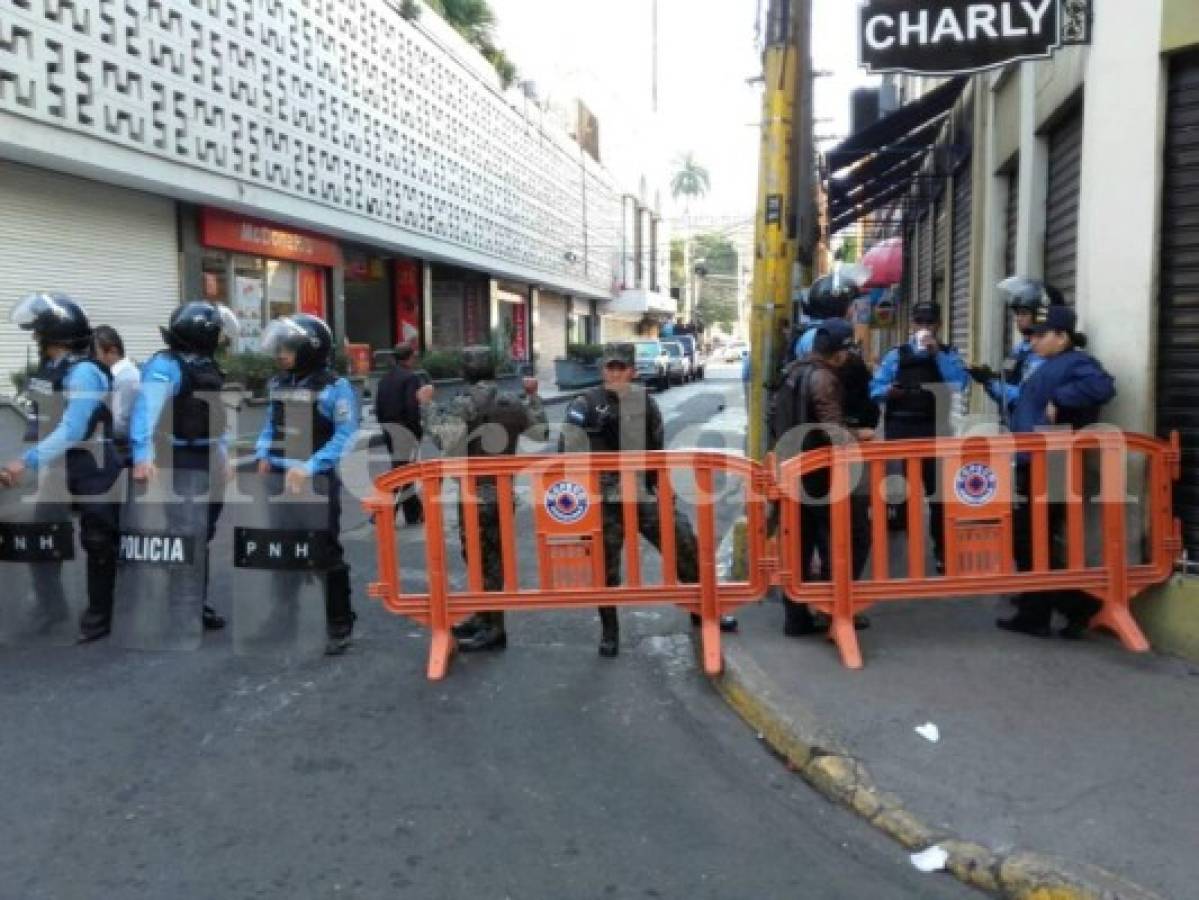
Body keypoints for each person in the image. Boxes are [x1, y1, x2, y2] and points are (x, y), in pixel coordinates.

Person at [562, 343, 737, 657]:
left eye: (621, 368)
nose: (615, 373)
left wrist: (662, 490)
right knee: (605, 569)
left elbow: (657, 450)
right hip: (603, 498)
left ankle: (704, 611)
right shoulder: (585, 403)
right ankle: (610, 631)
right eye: (609, 367)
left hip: (641, 492)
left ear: (632, 370)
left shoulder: (645, 403)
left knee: (683, 543)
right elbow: (566, 451)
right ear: (603, 371)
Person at [0, 293, 122, 642]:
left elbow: (73, 428)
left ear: (54, 335)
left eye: (39, 333)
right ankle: (52, 608)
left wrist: (26, 461)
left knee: (98, 541)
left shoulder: (83, 372)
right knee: (41, 536)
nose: (35, 339)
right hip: (54, 465)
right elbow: (37, 421)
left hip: (91, 464)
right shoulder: (49, 369)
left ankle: (100, 614)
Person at [417, 346, 547, 653]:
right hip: (502, 492)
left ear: (465, 371)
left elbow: (442, 437)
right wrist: (534, 396)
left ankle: (494, 627)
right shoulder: (513, 401)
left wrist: (427, 405)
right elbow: (540, 432)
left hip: (474, 493)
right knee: (487, 558)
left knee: (481, 558)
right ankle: (484, 614)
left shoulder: (464, 403)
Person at [998, 304, 1116, 639]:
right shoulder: (1049, 364)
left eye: (1040, 334)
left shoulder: (1077, 362)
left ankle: (1068, 607)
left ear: (1062, 336)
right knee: (1032, 540)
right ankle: (1057, 608)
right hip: (1035, 461)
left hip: (1053, 464)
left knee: (1030, 538)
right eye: (1031, 335)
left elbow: (1103, 387)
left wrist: (1062, 398)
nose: (1033, 340)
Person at [129, 301, 239, 632]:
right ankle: (179, 608)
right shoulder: (166, 366)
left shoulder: (205, 365)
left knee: (202, 533)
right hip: (178, 461)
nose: (221, 339)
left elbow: (215, 415)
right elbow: (145, 412)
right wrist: (142, 456)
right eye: (217, 332)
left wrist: (224, 454)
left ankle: (195, 603)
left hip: (207, 458)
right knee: (183, 535)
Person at [254, 314, 360, 655]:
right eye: (279, 348)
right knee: (284, 549)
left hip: (316, 480)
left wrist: (311, 466)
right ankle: (283, 616)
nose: (281, 355)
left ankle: (339, 623)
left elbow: (345, 435)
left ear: (310, 349)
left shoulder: (334, 388)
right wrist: (263, 452)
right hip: (281, 478)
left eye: (288, 349)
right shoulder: (279, 383)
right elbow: (272, 423)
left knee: (325, 551)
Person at [770, 321, 872, 636]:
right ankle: (836, 612)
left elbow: (772, 418)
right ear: (839, 352)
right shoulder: (825, 379)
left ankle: (796, 618)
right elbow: (834, 432)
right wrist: (861, 434)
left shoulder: (791, 372)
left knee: (799, 544)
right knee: (851, 538)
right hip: (820, 474)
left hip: (791, 470)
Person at [870, 302, 969, 570]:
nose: (925, 328)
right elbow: (875, 387)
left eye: (930, 323)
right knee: (901, 494)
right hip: (901, 432)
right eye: (920, 322)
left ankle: (944, 553)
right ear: (912, 324)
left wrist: (938, 355)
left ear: (938, 325)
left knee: (939, 497)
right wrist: (888, 392)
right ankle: (907, 555)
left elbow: (959, 383)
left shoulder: (947, 354)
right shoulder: (896, 355)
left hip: (935, 432)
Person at [968, 277, 1058, 421]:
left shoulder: (1047, 353)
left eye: (1023, 313)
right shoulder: (1022, 348)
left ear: (1041, 315)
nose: (1017, 319)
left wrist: (991, 382)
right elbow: (1008, 380)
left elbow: (1026, 397)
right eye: (1016, 314)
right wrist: (990, 376)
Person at [375, 343, 425, 525]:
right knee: (401, 471)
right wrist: (417, 432)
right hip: (405, 430)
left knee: (403, 470)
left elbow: (378, 407)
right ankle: (382, 511)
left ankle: (414, 513)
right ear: (410, 358)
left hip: (389, 429)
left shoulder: (384, 379)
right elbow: (412, 408)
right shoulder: (410, 379)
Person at [93, 325, 140, 453]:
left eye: (95, 353)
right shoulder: (116, 375)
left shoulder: (126, 378)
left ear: (113, 351)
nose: (92, 358)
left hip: (125, 452)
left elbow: (121, 425)